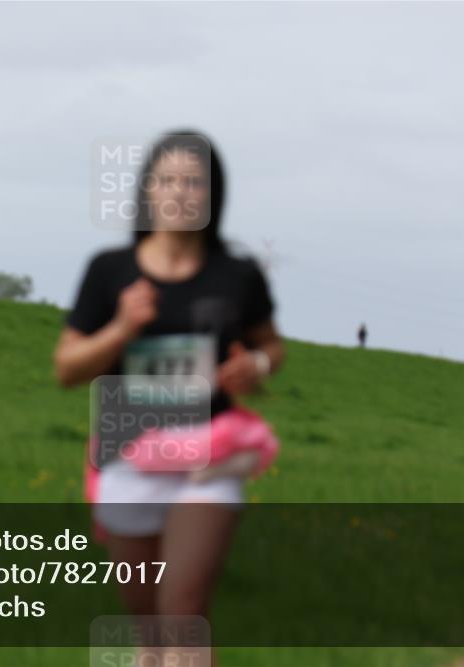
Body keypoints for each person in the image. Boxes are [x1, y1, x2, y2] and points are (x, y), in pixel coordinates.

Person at [54, 130, 285, 665]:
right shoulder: (110, 271)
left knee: (183, 611)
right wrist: (121, 328)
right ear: (147, 191)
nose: (181, 193)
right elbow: (67, 368)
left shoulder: (238, 275)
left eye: (194, 181)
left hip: (212, 451)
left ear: (213, 195)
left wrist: (258, 364)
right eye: (168, 180)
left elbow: (270, 344)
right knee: (149, 629)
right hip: (130, 448)